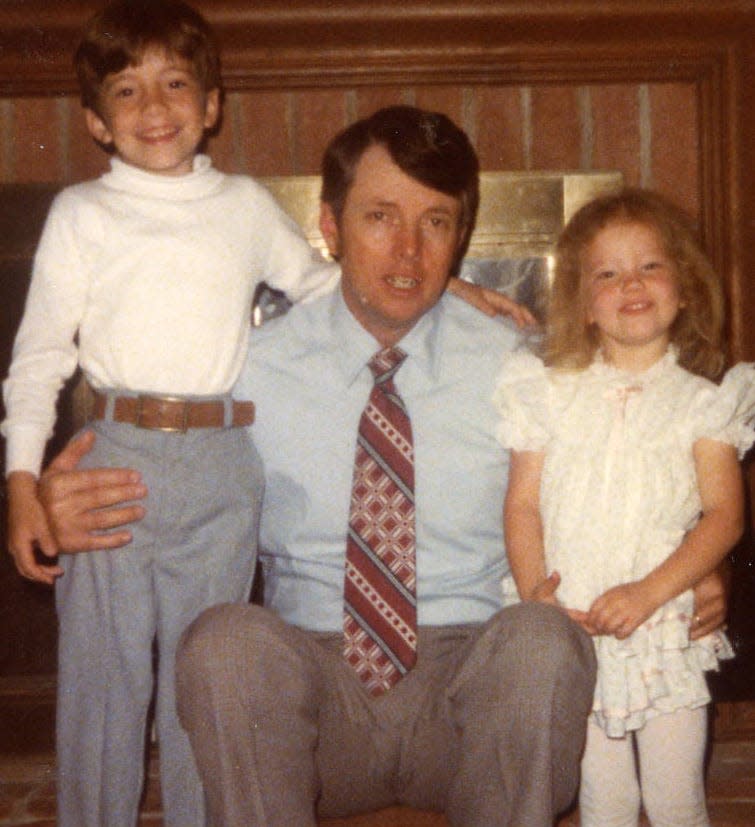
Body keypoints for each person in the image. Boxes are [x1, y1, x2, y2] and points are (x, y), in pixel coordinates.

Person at [38, 106, 731, 827]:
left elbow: (625, 463)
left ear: (460, 237)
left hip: (469, 697)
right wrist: (66, 491)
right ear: (329, 227)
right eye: (379, 217)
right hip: (314, 699)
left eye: (434, 222)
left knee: (541, 641)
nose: (407, 251)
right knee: (221, 643)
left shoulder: (522, 367)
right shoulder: (249, 368)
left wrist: (684, 569)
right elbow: (158, 438)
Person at [0, 1, 343, 825]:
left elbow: (327, 294)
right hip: (114, 460)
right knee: (103, 677)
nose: (154, 108)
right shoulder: (83, 215)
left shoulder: (246, 206)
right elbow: (40, 354)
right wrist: (19, 482)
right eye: (126, 91)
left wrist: (444, 293)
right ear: (96, 122)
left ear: (212, 104)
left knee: (205, 677)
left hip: (225, 465)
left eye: (175, 83)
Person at [495, 188, 755, 826]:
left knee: (673, 799)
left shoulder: (703, 401)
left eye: (650, 266)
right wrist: (537, 598)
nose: (630, 283)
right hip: (575, 625)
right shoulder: (546, 393)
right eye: (607, 273)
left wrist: (650, 593)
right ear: (583, 305)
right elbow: (523, 504)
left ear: (686, 287)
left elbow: (725, 515)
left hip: (662, 626)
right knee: (604, 802)